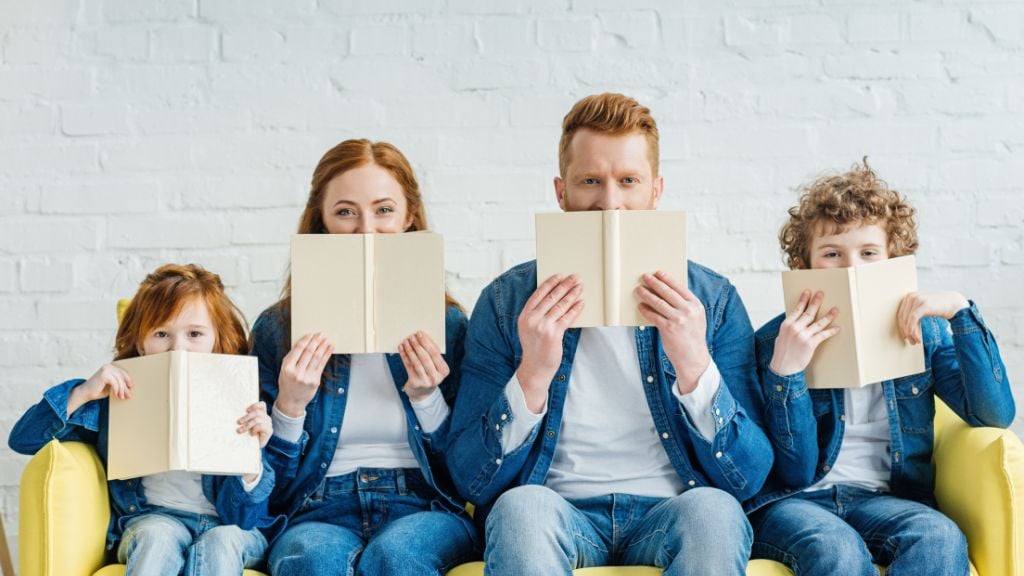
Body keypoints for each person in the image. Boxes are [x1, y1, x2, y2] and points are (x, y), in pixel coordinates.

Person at [445, 93, 772, 576]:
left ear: (655, 192)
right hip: (557, 508)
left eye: (629, 182)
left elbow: (749, 478)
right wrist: (532, 373)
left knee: (715, 511)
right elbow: (471, 481)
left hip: (672, 508)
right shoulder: (506, 301)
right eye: (591, 182)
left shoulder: (712, 299)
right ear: (562, 193)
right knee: (521, 509)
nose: (610, 204)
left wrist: (695, 367)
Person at [748, 160, 1015, 576]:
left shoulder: (924, 334)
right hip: (795, 504)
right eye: (832, 254)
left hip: (887, 499)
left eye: (869, 254)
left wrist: (960, 313)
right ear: (805, 265)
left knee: (940, 537)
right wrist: (787, 372)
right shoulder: (772, 343)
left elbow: (993, 414)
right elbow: (794, 470)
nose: (852, 268)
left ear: (893, 260)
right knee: (837, 548)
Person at [251, 138, 478, 575]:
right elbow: (263, 487)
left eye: (384, 210)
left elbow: (469, 470)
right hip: (316, 507)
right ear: (321, 222)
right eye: (345, 212)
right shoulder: (276, 330)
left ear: (409, 217)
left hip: (423, 504)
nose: (366, 230)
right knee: (310, 559)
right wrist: (289, 407)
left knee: (396, 556)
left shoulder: (448, 325)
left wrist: (428, 398)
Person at [8, 263, 277, 575]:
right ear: (140, 342)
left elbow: (245, 518)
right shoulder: (114, 395)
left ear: (216, 339)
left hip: (228, 525)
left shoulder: (240, 396)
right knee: (156, 534)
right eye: (161, 333)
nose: (178, 347)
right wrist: (82, 393)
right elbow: (23, 439)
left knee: (221, 541)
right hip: (152, 518)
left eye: (194, 334)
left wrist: (251, 460)